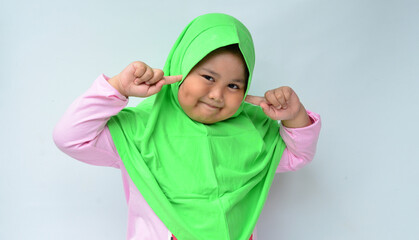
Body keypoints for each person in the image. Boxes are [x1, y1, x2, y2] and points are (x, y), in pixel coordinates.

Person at [53, 13, 321, 240]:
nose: (217, 94)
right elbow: (70, 138)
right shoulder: (140, 129)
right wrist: (118, 88)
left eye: (233, 85)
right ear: (181, 65)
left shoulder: (253, 129)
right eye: (207, 77)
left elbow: (298, 155)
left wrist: (294, 115)